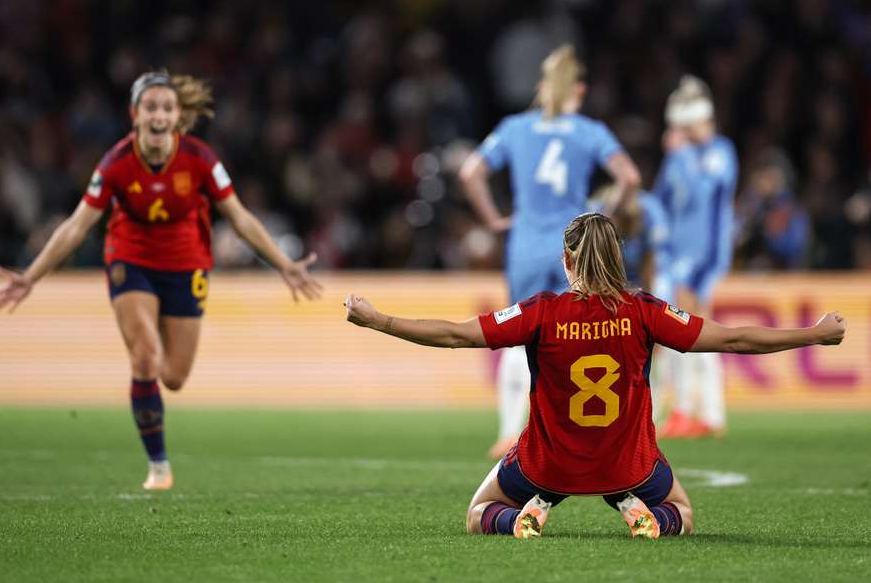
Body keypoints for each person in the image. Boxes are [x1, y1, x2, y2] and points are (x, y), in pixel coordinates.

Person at [344, 212, 845, 539]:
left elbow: (454, 335)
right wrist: (813, 334)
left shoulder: (541, 311)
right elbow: (734, 340)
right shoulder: (645, 310)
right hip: (627, 466)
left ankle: (523, 515)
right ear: (616, 258)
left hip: (548, 466)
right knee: (685, 516)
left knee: (478, 514)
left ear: (566, 260)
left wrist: (377, 320)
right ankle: (639, 513)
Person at [0, 71, 323, 490]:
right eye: (151, 107)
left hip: (187, 266)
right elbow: (77, 226)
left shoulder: (202, 160)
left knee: (175, 378)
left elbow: (239, 218)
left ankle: (151, 388)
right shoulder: (115, 163)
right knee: (145, 356)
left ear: (178, 117)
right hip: (132, 260)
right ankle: (159, 466)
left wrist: (284, 265)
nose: (159, 114)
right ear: (135, 114)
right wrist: (31, 276)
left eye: (167, 107)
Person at [458, 45, 641, 458]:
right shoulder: (590, 131)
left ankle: (507, 433)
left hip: (524, 243)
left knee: (512, 333)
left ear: (542, 89)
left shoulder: (514, 128)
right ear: (579, 90)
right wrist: (603, 216)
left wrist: (492, 219)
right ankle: (568, 433)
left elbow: (471, 172)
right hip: (572, 245)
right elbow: (629, 176)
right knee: (575, 334)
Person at [653, 76, 739, 438]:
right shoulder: (680, 158)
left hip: (703, 258)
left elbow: (716, 208)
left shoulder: (720, 153)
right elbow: (660, 205)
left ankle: (707, 413)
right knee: (674, 336)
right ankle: (686, 410)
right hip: (672, 260)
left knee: (699, 335)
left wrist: (705, 272)